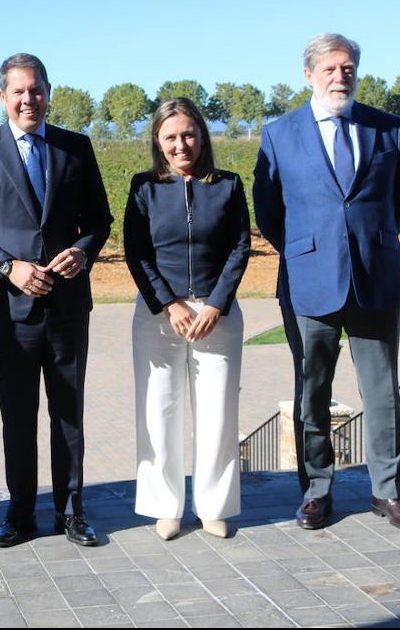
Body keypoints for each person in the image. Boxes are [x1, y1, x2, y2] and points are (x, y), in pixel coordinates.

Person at [253, 33, 400, 532]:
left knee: (383, 391)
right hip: (309, 281)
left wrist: (368, 242)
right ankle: (317, 492)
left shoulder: (387, 128)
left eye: (347, 68)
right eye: (329, 69)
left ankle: (387, 493)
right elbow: (269, 211)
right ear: (308, 74)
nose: (339, 76)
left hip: (375, 276)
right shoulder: (279, 133)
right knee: (312, 391)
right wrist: (309, 249)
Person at [0, 53, 113, 548]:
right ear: (2, 97)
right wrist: (7, 267)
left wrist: (83, 254)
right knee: (17, 415)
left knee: (68, 410)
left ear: (49, 92)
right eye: (18, 91)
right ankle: (20, 513)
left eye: (36, 90)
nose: (28, 99)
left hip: (67, 306)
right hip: (11, 307)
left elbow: (100, 221)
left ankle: (71, 510)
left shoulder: (76, 148)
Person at [123, 98, 250, 541]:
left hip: (218, 316)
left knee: (218, 414)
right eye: (171, 137)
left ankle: (213, 506)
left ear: (203, 137)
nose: (181, 145)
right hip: (160, 317)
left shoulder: (229, 186)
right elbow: (136, 254)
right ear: (158, 141)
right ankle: (165, 506)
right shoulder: (144, 188)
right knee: (159, 410)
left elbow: (239, 248)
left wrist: (216, 304)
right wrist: (169, 304)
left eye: (189, 135)